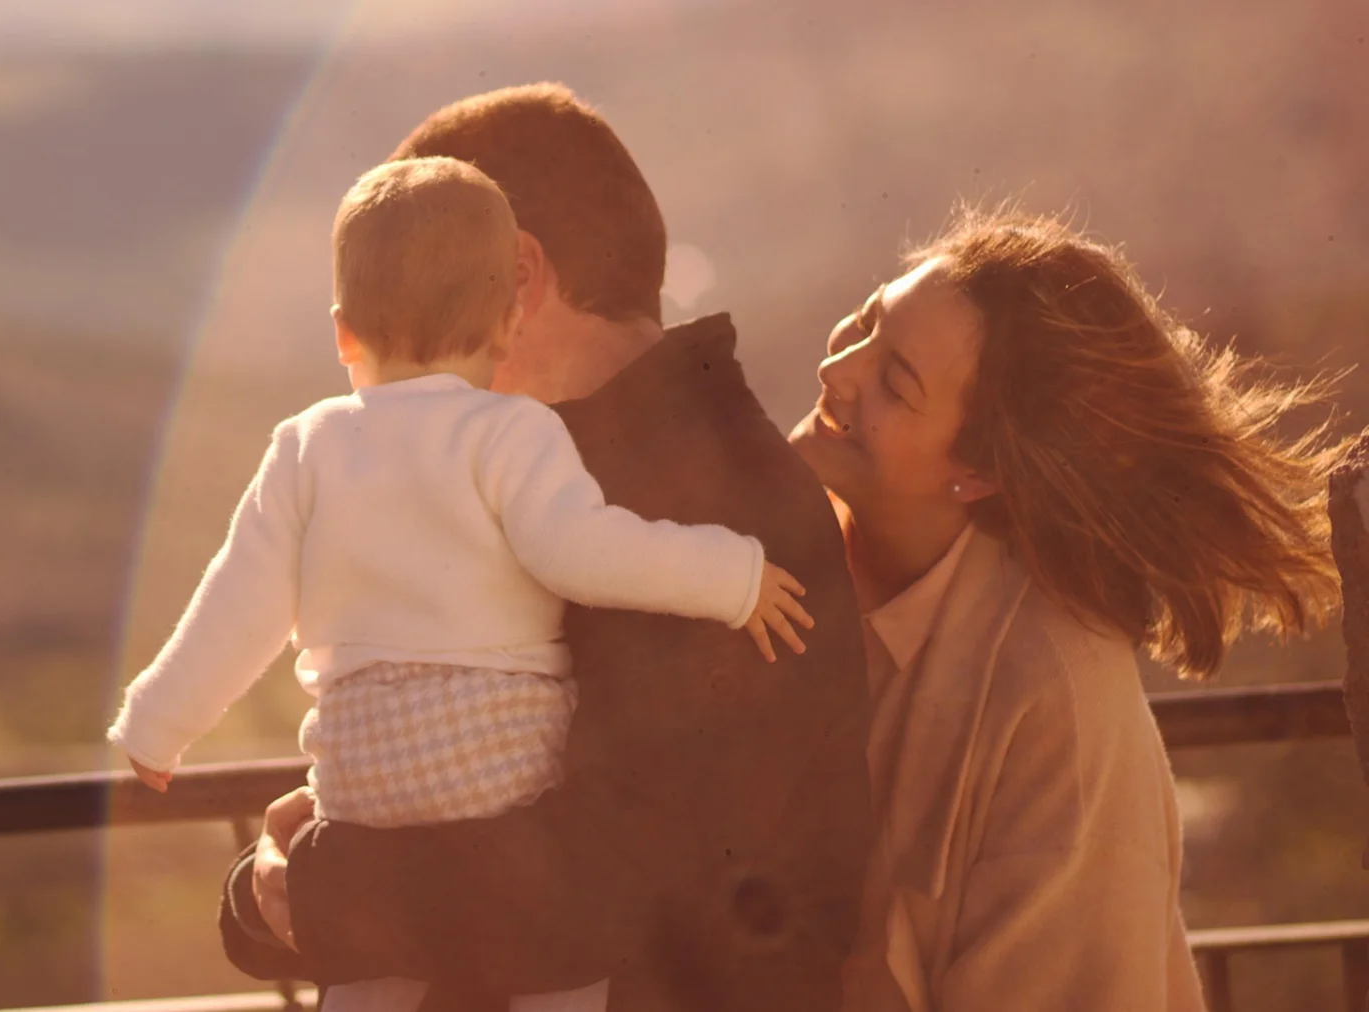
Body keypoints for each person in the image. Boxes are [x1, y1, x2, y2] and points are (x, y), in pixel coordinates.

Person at [217, 84, 877, 1012]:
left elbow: (601, 888)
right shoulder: (531, 472)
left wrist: (313, 887)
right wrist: (267, 894)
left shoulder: (729, 512)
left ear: (519, 280)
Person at [800, 206, 1345, 1010]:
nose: (836, 369)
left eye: (895, 381)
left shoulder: (1053, 700)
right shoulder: (774, 560)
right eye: (868, 323)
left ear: (979, 471)